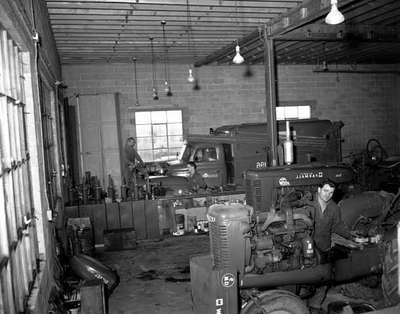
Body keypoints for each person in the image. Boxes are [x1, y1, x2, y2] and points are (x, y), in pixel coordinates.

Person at [309, 179, 352, 263]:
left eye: (331, 192)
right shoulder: (308, 203)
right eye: (325, 191)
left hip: (324, 248)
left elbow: (337, 226)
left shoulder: (334, 208)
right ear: (319, 189)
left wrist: (351, 236)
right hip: (308, 247)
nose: (327, 195)